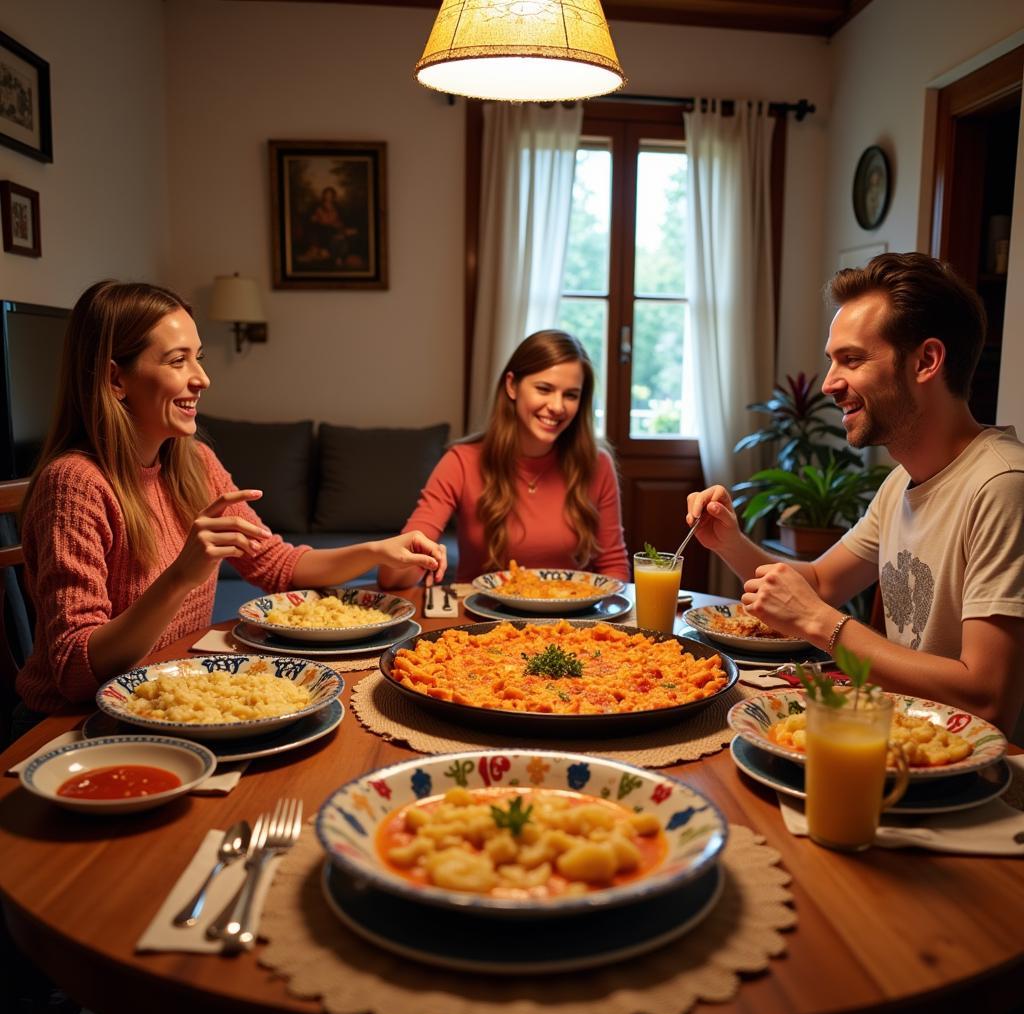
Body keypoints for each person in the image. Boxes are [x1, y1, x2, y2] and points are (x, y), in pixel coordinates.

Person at [13, 280, 445, 728]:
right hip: (70, 726)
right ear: (115, 378)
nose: (202, 379)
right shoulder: (74, 485)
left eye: (197, 357)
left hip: (163, 703)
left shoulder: (193, 462)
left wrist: (377, 551)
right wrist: (181, 575)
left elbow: (279, 566)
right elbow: (74, 671)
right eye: (177, 360)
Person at [686, 252, 1024, 734]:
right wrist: (727, 541)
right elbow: (820, 584)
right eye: (832, 361)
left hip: (963, 776)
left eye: (853, 359)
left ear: (926, 361)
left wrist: (822, 625)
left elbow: (989, 698)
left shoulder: (1002, 486)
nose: (828, 384)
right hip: (890, 738)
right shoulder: (900, 483)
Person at [379, 329, 629, 589]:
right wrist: (411, 561)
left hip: (574, 624)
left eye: (571, 395)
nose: (557, 406)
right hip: (481, 622)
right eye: (544, 389)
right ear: (512, 386)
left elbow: (613, 566)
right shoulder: (461, 462)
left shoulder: (597, 464)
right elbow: (393, 576)